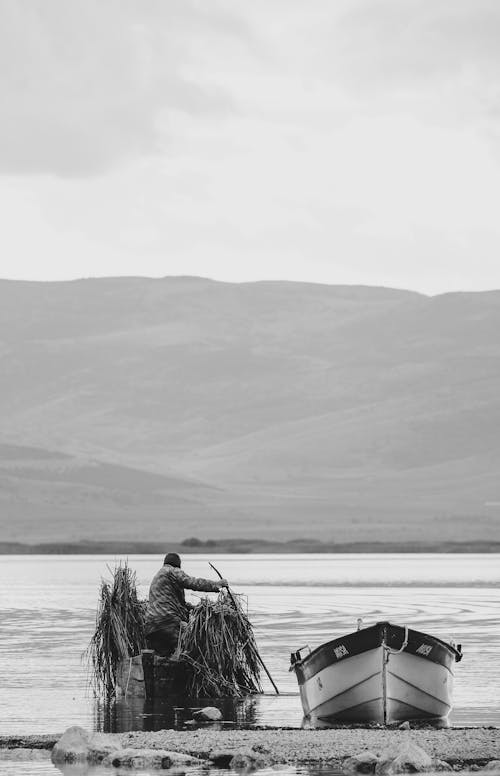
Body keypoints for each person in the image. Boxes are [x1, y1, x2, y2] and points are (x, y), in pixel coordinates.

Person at [145, 552, 228, 657]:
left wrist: (193, 607)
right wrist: (216, 585)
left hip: (152, 627)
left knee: (162, 656)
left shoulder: (158, 576)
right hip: (168, 623)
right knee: (190, 647)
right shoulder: (172, 571)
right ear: (178, 565)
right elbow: (193, 582)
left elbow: (173, 602)